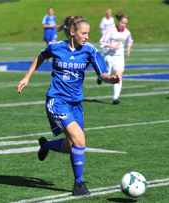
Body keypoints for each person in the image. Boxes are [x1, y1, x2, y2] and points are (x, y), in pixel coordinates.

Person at [17, 15, 120, 196]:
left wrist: (110, 79)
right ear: (72, 32)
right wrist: (27, 77)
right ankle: (78, 185)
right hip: (57, 102)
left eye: (88, 33)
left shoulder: (90, 51)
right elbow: (40, 57)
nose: (87, 36)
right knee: (80, 140)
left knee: (70, 146)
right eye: (84, 33)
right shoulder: (56, 47)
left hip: (75, 104)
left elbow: (102, 73)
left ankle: (46, 145)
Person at [99, 12, 133, 105]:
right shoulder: (111, 30)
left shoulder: (127, 32)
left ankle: (115, 98)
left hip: (119, 57)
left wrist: (128, 50)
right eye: (122, 22)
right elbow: (101, 42)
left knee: (118, 77)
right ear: (118, 21)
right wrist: (112, 46)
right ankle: (100, 77)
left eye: (125, 23)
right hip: (109, 55)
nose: (123, 25)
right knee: (108, 72)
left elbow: (130, 41)